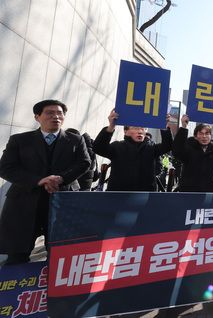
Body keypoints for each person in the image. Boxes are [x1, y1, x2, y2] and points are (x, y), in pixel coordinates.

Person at [0, 100, 90, 264]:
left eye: (59, 113)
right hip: (23, 203)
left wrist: (61, 178)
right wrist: (39, 180)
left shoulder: (75, 140)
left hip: (62, 203)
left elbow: (84, 163)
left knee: (61, 257)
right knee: (17, 257)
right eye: (49, 113)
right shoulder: (19, 140)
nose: (56, 116)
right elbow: (5, 168)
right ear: (37, 117)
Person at [92, 109, 172, 191]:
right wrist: (111, 126)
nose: (140, 131)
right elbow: (98, 148)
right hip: (118, 195)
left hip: (145, 196)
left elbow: (168, 146)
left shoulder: (151, 147)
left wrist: (164, 126)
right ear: (125, 131)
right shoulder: (117, 147)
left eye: (143, 128)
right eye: (135, 128)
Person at [172, 114, 213, 192]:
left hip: (208, 191)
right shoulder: (189, 148)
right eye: (201, 133)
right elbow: (177, 151)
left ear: (211, 136)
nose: (204, 136)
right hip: (188, 191)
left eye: (207, 133)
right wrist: (183, 127)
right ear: (195, 136)